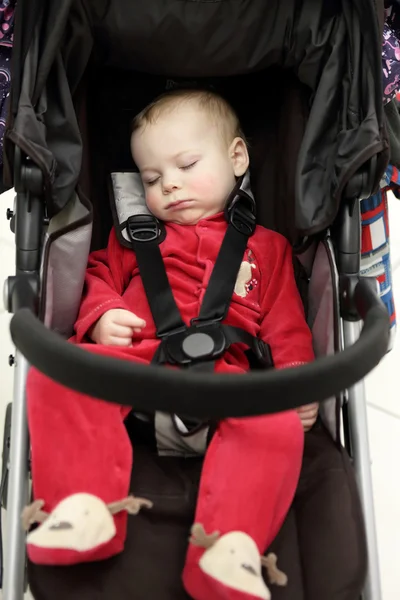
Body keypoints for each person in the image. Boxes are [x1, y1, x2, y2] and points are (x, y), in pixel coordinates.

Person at [25, 89, 318, 600]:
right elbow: (97, 278)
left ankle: (230, 547)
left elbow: (287, 324)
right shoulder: (132, 235)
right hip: (132, 364)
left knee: (277, 426)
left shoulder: (268, 247)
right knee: (56, 375)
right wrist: (101, 317)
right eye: (153, 179)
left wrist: (296, 378)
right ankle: (83, 507)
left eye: (186, 165)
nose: (171, 185)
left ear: (237, 157)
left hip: (226, 380)